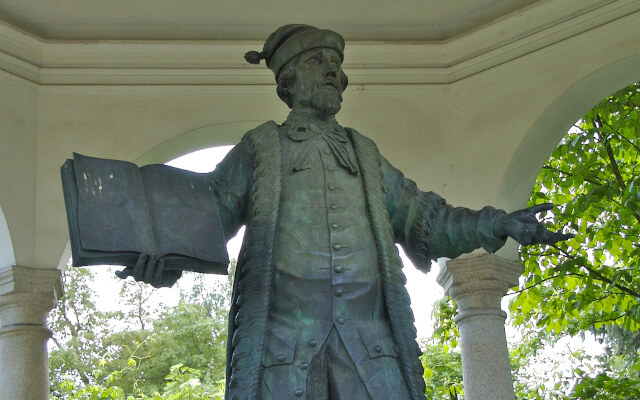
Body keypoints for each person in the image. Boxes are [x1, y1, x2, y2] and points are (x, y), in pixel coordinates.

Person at [117, 24, 572, 400]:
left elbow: (425, 218)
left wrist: (497, 223)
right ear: (287, 82)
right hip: (284, 353)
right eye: (317, 61)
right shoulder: (260, 147)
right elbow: (207, 216)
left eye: (336, 65)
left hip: (372, 353)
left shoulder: (365, 153)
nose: (333, 71)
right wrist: (161, 258)